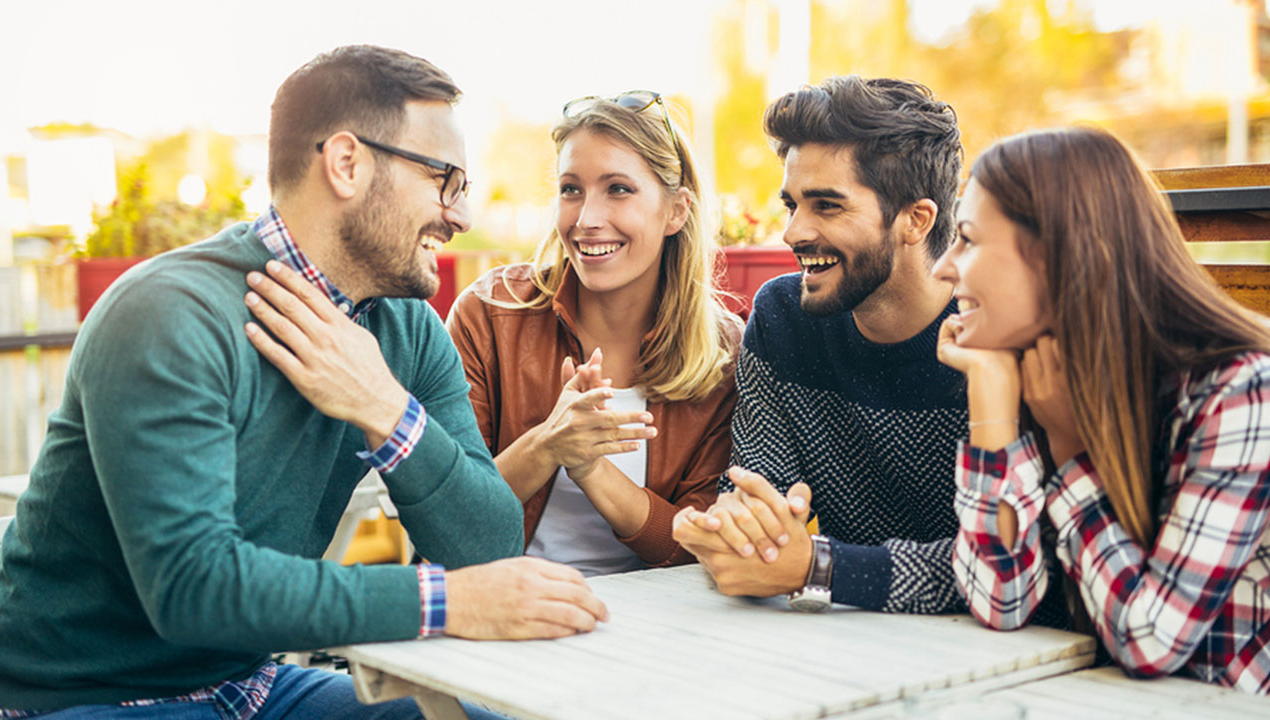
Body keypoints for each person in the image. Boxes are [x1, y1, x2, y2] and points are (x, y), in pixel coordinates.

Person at [0, 45, 607, 719]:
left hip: (252, 687)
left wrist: (385, 409)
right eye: (444, 180)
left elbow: (488, 545)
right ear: (347, 164)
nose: (459, 214)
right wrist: (449, 603)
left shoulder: (408, 331)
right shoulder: (168, 315)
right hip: (73, 698)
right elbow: (192, 589)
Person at [934, 126, 1270, 692]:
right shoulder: (1034, 372)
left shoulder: (1241, 392)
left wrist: (1071, 451)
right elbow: (1001, 599)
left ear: (1056, 255)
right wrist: (990, 393)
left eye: (966, 238)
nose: (945, 267)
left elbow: (1150, 639)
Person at [673, 76, 970, 613]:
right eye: (791, 205)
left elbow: (1015, 570)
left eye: (827, 206)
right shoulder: (784, 318)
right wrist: (734, 527)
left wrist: (823, 567)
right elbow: (757, 488)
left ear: (915, 220)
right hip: (839, 648)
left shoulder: (994, 337)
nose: (792, 233)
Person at [445, 91, 742, 577]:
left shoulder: (723, 353)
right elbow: (448, 515)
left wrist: (591, 469)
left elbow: (699, 545)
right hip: (500, 604)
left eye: (618, 189)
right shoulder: (489, 314)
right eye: (571, 189)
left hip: (655, 623)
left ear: (677, 211)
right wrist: (547, 447)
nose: (586, 220)